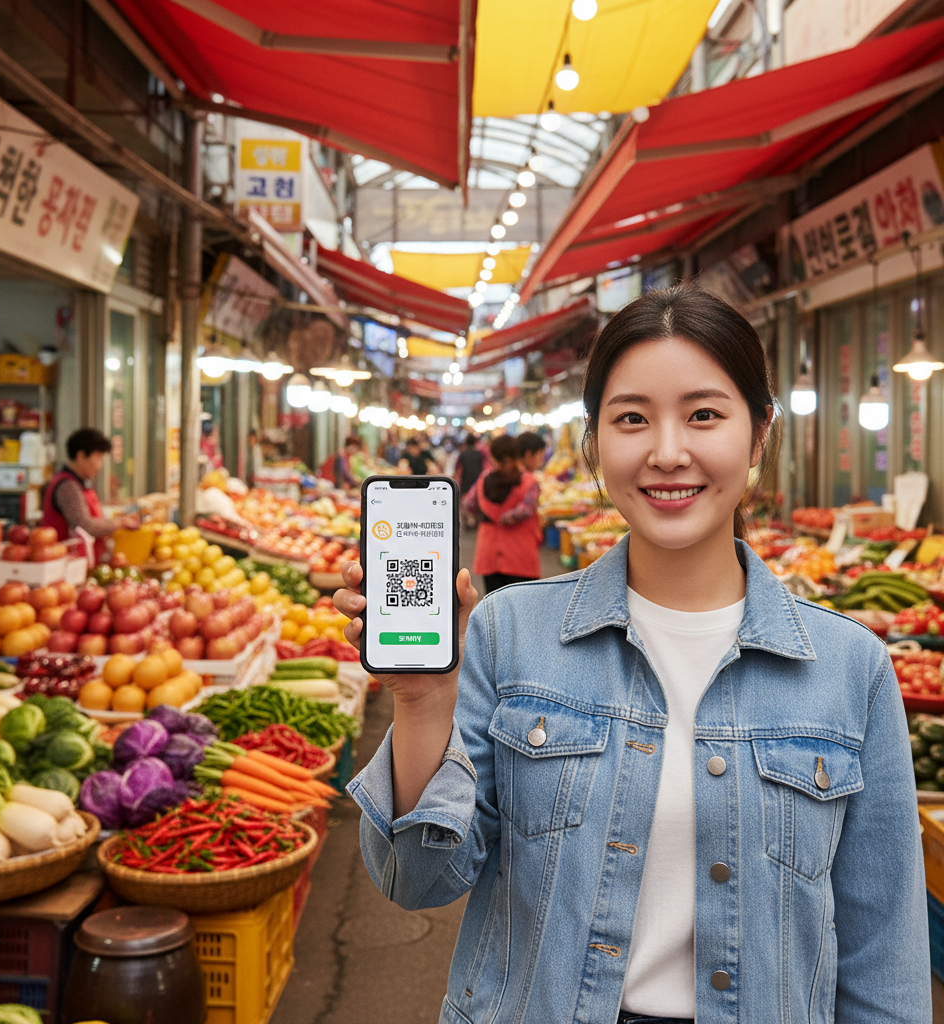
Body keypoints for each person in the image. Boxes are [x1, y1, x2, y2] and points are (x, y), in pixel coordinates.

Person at [335, 284, 930, 1024]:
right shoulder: (507, 634)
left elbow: (884, 965)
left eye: (704, 414)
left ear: (760, 433)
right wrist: (421, 701)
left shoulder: (849, 669)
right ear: (592, 443)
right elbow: (418, 878)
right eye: (632, 419)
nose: (668, 452)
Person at [42, 428, 139, 563]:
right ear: (81, 456)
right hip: (67, 565)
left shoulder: (79, 483)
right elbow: (85, 526)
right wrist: (118, 523)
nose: (100, 466)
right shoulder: (67, 486)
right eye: (98, 458)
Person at [463, 434, 541, 592]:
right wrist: (506, 518)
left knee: (495, 608)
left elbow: (468, 504)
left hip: (489, 553)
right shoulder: (529, 482)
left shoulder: (483, 479)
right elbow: (525, 510)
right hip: (521, 555)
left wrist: (489, 514)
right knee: (523, 608)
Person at [455, 433, 485, 499]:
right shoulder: (479, 453)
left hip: (466, 480)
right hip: (477, 480)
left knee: (465, 502)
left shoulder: (463, 454)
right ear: (475, 442)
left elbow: (458, 469)